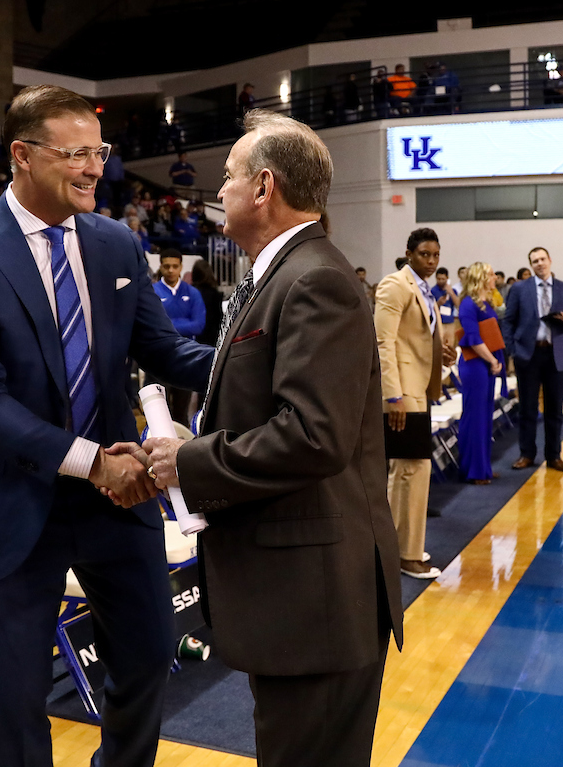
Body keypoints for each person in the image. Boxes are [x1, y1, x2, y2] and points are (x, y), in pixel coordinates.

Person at [0, 84, 215, 767]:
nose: (93, 168)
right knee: (16, 696)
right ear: (22, 156)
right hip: (11, 499)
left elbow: (166, 351)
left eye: (99, 152)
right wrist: (92, 461)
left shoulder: (115, 243)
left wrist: (261, 359)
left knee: (146, 656)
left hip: (115, 499)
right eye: (75, 153)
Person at [138, 109, 402, 767]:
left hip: (316, 601)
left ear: (263, 188)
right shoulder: (279, 274)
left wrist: (187, 461)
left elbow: (315, 435)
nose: (217, 191)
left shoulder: (313, 279)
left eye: (227, 177)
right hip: (297, 595)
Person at [375, 228, 452, 580]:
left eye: (435, 255)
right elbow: (383, 343)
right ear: (409, 253)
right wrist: (393, 396)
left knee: (415, 472)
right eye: (424, 254)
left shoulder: (427, 292)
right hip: (402, 395)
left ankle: (403, 548)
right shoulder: (394, 285)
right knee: (408, 471)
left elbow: (418, 341)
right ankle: (402, 555)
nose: (432, 261)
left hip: (420, 390)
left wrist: (443, 354)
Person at [501, 247, 563, 472]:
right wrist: (512, 349)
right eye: (535, 261)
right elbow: (508, 321)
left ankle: (554, 456)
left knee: (555, 409)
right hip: (528, 354)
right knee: (527, 408)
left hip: (556, 355)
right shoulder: (519, 289)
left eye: (543, 259)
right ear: (531, 265)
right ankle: (527, 454)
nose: (540, 264)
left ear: (550, 261)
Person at [456, 262, 505, 484]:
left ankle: (483, 466)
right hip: (475, 364)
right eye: (491, 274)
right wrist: (493, 359)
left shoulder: (487, 303)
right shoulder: (468, 304)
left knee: (485, 417)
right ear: (481, 278)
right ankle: (473, 470)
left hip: (486, 364)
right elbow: (473, 339)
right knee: (475, 417)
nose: (495, 277)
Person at [152, 248, 206, 423]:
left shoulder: (193, 293)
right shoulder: (151, 292)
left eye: (175, 266)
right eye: (166, 266)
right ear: (160, 266)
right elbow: (150, 326)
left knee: (182, 414)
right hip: (157, 359)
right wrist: (184, 324)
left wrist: (166, 325)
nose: (171, 270)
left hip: (186, 357)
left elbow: (198, 326)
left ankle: (181, 450)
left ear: (181, 267)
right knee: (160, 416)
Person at [189, 258, 223, 346]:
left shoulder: (189, 292)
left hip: (193, 337)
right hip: (211, 338)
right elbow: (218, 318)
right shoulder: (215, 294)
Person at [430, 266, 459, 346]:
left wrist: (451, 293)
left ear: (447, 278)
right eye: (439, 279)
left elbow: (458, 305)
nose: (441, 281)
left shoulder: (453, 291)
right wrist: (438, 303)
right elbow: (429, 308)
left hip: (450, 322)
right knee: (439, 345)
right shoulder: (432, 291)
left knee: (450, 345)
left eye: (443, 279)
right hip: (439, 323)